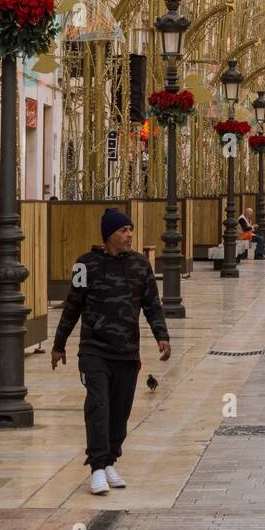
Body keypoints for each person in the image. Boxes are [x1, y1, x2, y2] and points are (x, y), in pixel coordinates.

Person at [51, 208, 171, 495]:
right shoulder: (85, 265)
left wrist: (161, 336)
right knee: (98, 407)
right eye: (123, 230)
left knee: (120, 411)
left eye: (130, 229)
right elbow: (72, 306)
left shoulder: (141, 266)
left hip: (127, 353)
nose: (129, 235)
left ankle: (109, 462)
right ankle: (96, 467)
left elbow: (152, 305)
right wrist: (59, 344)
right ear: (109, 235)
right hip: (93, 351)